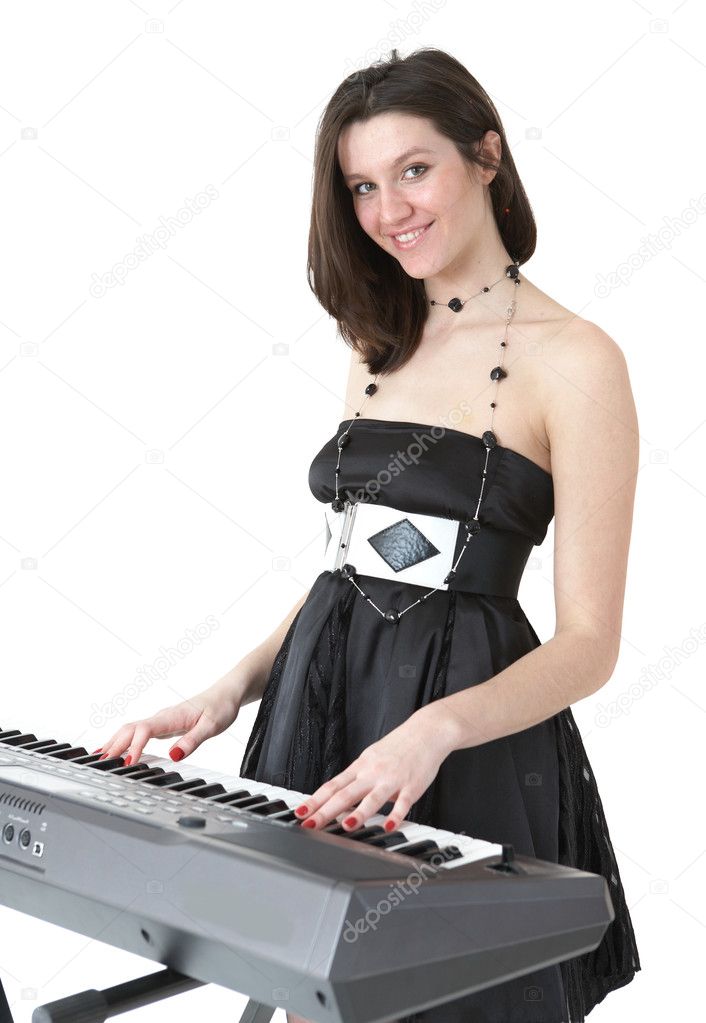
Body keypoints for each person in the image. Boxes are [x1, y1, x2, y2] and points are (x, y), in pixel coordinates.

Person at [95, 47, 641, 1023]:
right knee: (308, 990)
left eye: (413, 170)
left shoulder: (578, 363)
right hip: (326, 704)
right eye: (361, 185)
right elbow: (351, 570)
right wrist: (227, 690)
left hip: (464, 737)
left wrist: (431, 734)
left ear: (486, 155)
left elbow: (589, 644)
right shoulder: (374, 341)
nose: (389, 210)